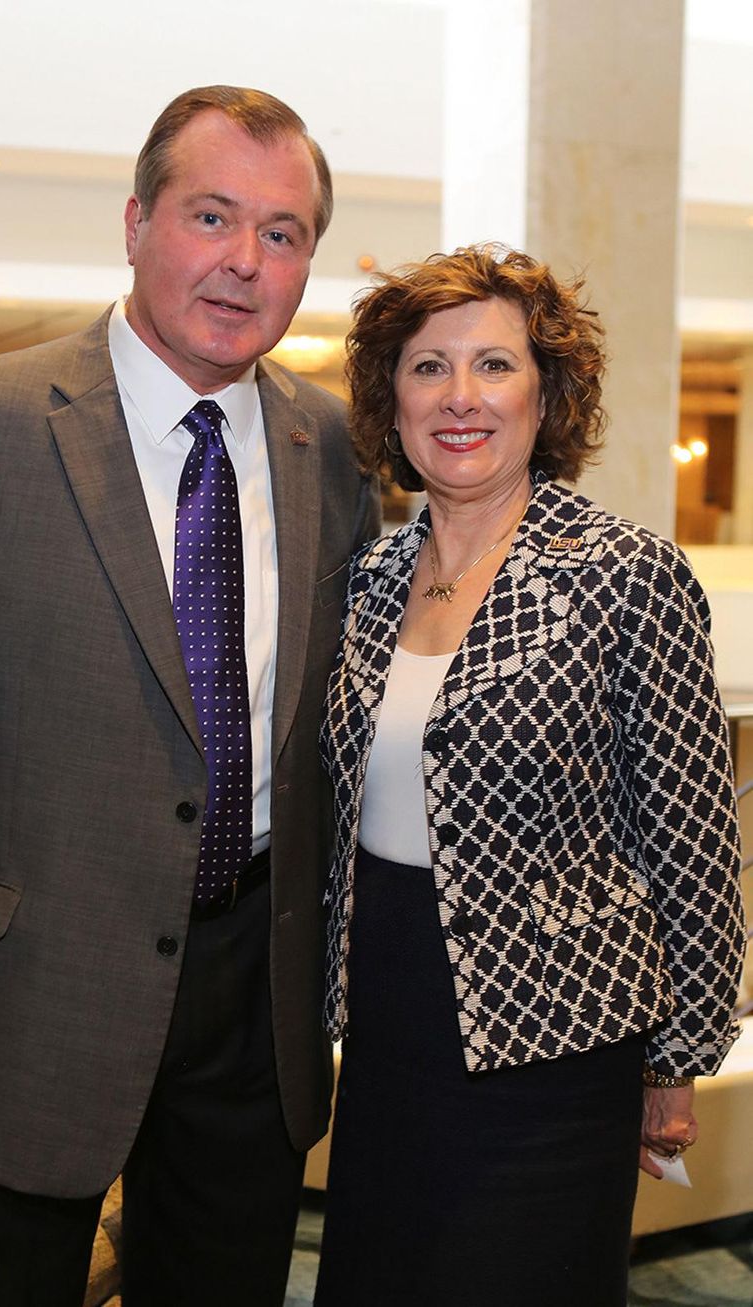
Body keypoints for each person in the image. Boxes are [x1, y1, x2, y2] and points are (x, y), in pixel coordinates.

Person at [0, 85, 379, 1307]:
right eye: (210, 215)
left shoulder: (327, 444)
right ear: (133, 222)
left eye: (280, 233)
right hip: (27, 997)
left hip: (250, 1002)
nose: (242, 261)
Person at [315, 246, 746, 1306]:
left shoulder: (622, 572)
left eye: (493, 365)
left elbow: (689, 835)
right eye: (427, 367)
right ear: (390, 398)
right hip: (384, 1023)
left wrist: (677, 1055)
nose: (459, 397)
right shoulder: (367, 576)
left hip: (555, 1043)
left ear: (544, 394)